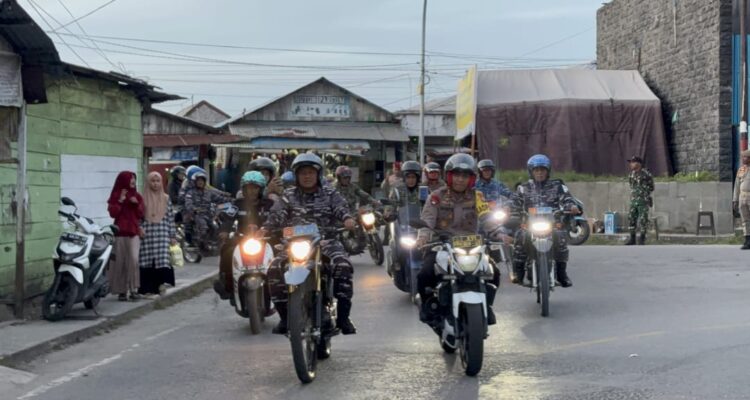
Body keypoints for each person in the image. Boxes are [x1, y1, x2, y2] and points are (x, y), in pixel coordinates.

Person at [262, 153, 358, 335]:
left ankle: (344, 317)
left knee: (343, 266)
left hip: (326, 241)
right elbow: (277, 214)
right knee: (274, 268)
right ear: (297, 175)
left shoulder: (330, 193)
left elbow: (341, 208)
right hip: (295, 244)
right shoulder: (288, 195)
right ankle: (285, 318)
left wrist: (347, 219)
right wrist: (265, 228)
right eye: (303, 173)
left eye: (310, 173)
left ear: (318, 174)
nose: (307, 176)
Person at [415, 154, 505, 326]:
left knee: (494, 273)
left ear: (471, 179)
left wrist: (500, 233)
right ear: (449, 176)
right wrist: (423, 237)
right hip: (441, 246)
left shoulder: (477, 196)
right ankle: (427, 306)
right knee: (424, 274)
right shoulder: (436, 197)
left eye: (465, 176)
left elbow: (487, 218)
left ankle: (487, 305)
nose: (460, 180)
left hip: (472, 246)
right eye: (456, 175)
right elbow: (427, 221)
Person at [510, 154, 579, 287]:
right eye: (536, 170)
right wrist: (509, 208)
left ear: (548, 171)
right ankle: (518, 272)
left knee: (561, 236)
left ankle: (561, 273)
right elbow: (514, 201)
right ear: (531, 172)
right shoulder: (523, 188)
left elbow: (567, 199)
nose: (540, 173)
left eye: (542, 170)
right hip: (530, 224)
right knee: (520, 236)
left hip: (552, 223)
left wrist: (571, 206)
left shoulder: (558, 186)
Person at [214, 171, 277, 299]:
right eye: (248, 188)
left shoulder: (270, 204)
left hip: (266, 239)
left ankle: (280, 286)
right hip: (242, 239)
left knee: (280, 252)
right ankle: (226, 284)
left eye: (255, 188)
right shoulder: (236, 204)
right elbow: (227, 218)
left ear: (261, 189)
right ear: (243, 189)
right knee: (226, 250)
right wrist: (224, 231)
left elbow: (278, 218)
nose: (252, 191)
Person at [107, 171, 144, 301]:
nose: (133, 181)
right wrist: (120, 200)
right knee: (120, 261)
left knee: (133, 259)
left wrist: (136, 203)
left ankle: (134, 289)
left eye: (134, 178)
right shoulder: (116, 195)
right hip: (120, 232)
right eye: (130, 178)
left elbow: (141, 214)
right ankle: (121, 291)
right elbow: (113, 213)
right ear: (123, 180)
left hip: (133, 232)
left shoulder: (137, 196)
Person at [139, 172, 177, 297]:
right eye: (152, 181)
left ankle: (160, 286)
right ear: (148, 182)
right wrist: (139, 228)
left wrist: (172, 235)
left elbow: (170, 218)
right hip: (147, 234)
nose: (155, 184)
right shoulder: (142, 198)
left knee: (162, 260)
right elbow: (138, 217)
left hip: (162, 233)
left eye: (158, 181)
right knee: (147, 261)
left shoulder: (166, 198)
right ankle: (147, 289)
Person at [183, 169, 232, 249]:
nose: (200, 182)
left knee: (215, 227)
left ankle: (211, 243)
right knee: (203, 228)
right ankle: (201, 244)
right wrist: (194, 209)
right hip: (197, 215)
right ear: (195, 182)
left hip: (208, 214)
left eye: (202, 180)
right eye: (198, 180)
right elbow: (188, 204)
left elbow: (219, 198)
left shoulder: (208, 192)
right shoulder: (190, 192)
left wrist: (232, 200)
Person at [625, 156, 654, 245]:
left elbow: (651, 187)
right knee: (631, 218)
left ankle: (642, 238)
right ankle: (632, 238)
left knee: (643, 219)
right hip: (634, 200)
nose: (630, 164)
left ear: (638, 164)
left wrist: (644, 193)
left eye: (632, 162)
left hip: (643, 200)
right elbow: (631, 185)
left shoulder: (646, 174)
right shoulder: (631, 174)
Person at [733, 150, 750, 249]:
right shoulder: (741, 170)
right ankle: (747, 240)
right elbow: (737, 185)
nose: (744, 159)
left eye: (746, 157)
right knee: (745, 220)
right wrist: (735, 199)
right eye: (743, 157)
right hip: (742, 198)